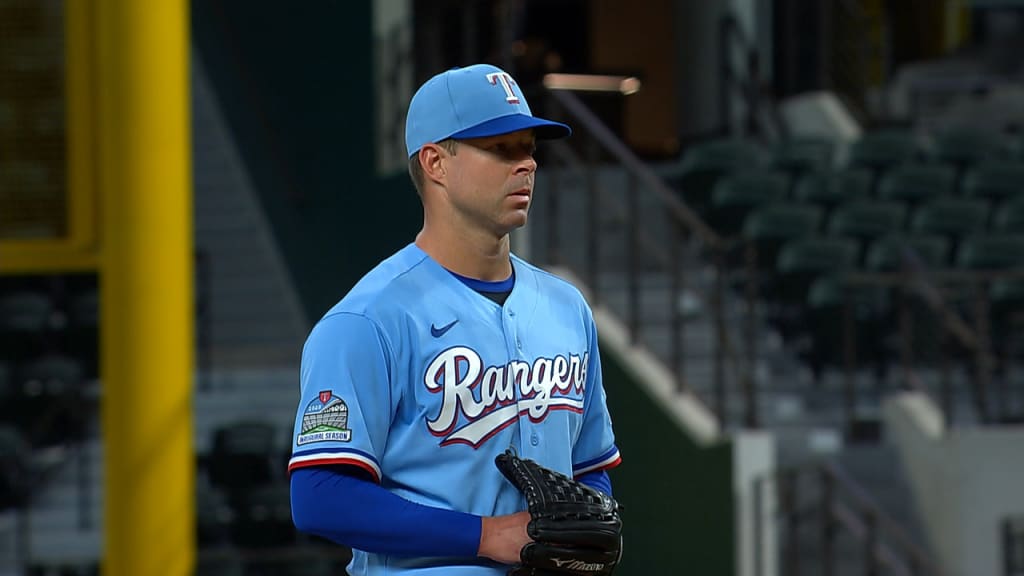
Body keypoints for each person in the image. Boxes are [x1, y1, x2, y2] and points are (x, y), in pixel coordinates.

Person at [288, 63, 622, 575]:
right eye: (501, 148)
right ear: (436, 162)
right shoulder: (367, 319)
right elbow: (320, 496)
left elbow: (591, 467)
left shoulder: (566, 308)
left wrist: (589, 522)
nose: (526, 164)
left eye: (529, 146)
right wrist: (485, 536)